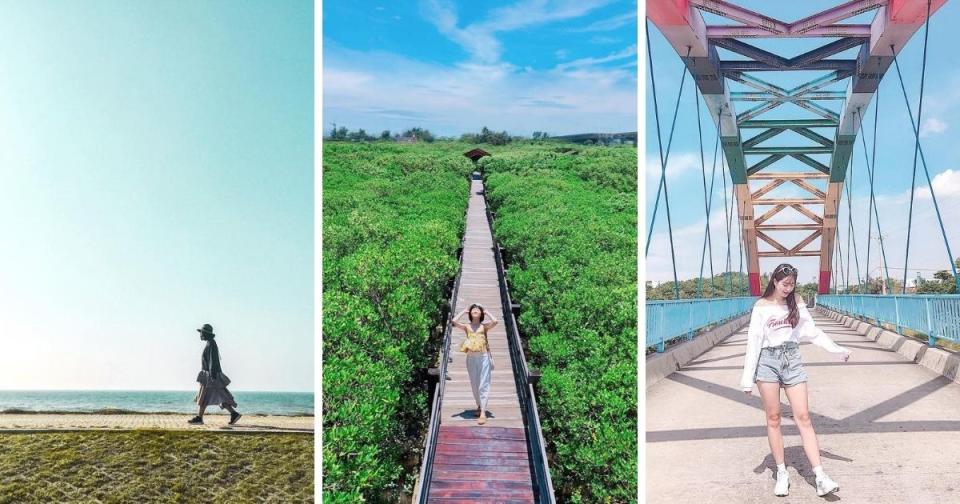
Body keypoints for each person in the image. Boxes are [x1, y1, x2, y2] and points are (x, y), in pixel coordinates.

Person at [740, 264, 852, 497]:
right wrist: (747, 379)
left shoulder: (796, 301)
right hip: (767, 362)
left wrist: (836, 349)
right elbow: (754, 342)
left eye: (792, 285)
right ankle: (781, 473)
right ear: (774, 281)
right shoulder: (761, 307)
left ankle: (820, 476)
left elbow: (812, 332)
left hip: (792, 359)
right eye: (784, 284)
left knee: (804, 417)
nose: (788, 289)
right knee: (773, 418)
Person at [451, 303, 498, 425]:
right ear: (470, 313)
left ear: (481, 314)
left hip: (483, 357)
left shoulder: (484, 326)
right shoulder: (467, 326)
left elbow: (495, 321)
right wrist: (464, 311)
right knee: (474, 383)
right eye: (473, 309)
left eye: (478, 310)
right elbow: (454, 321)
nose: (475, 310)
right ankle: (479, 405)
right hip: (471, 358)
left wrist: (486, 311)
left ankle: (483, 412)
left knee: (483, 384)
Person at [188, 323, 242, 425]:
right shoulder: (210, 343)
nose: (200, 335)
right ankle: (233, 414)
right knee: (219, 396)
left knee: (206, 396)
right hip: (210, 375)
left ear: (205, 334)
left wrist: (212, 375)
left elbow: (213, 360)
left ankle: (199, 418)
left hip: (210, 375)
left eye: (201, 333)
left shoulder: (211, 343)